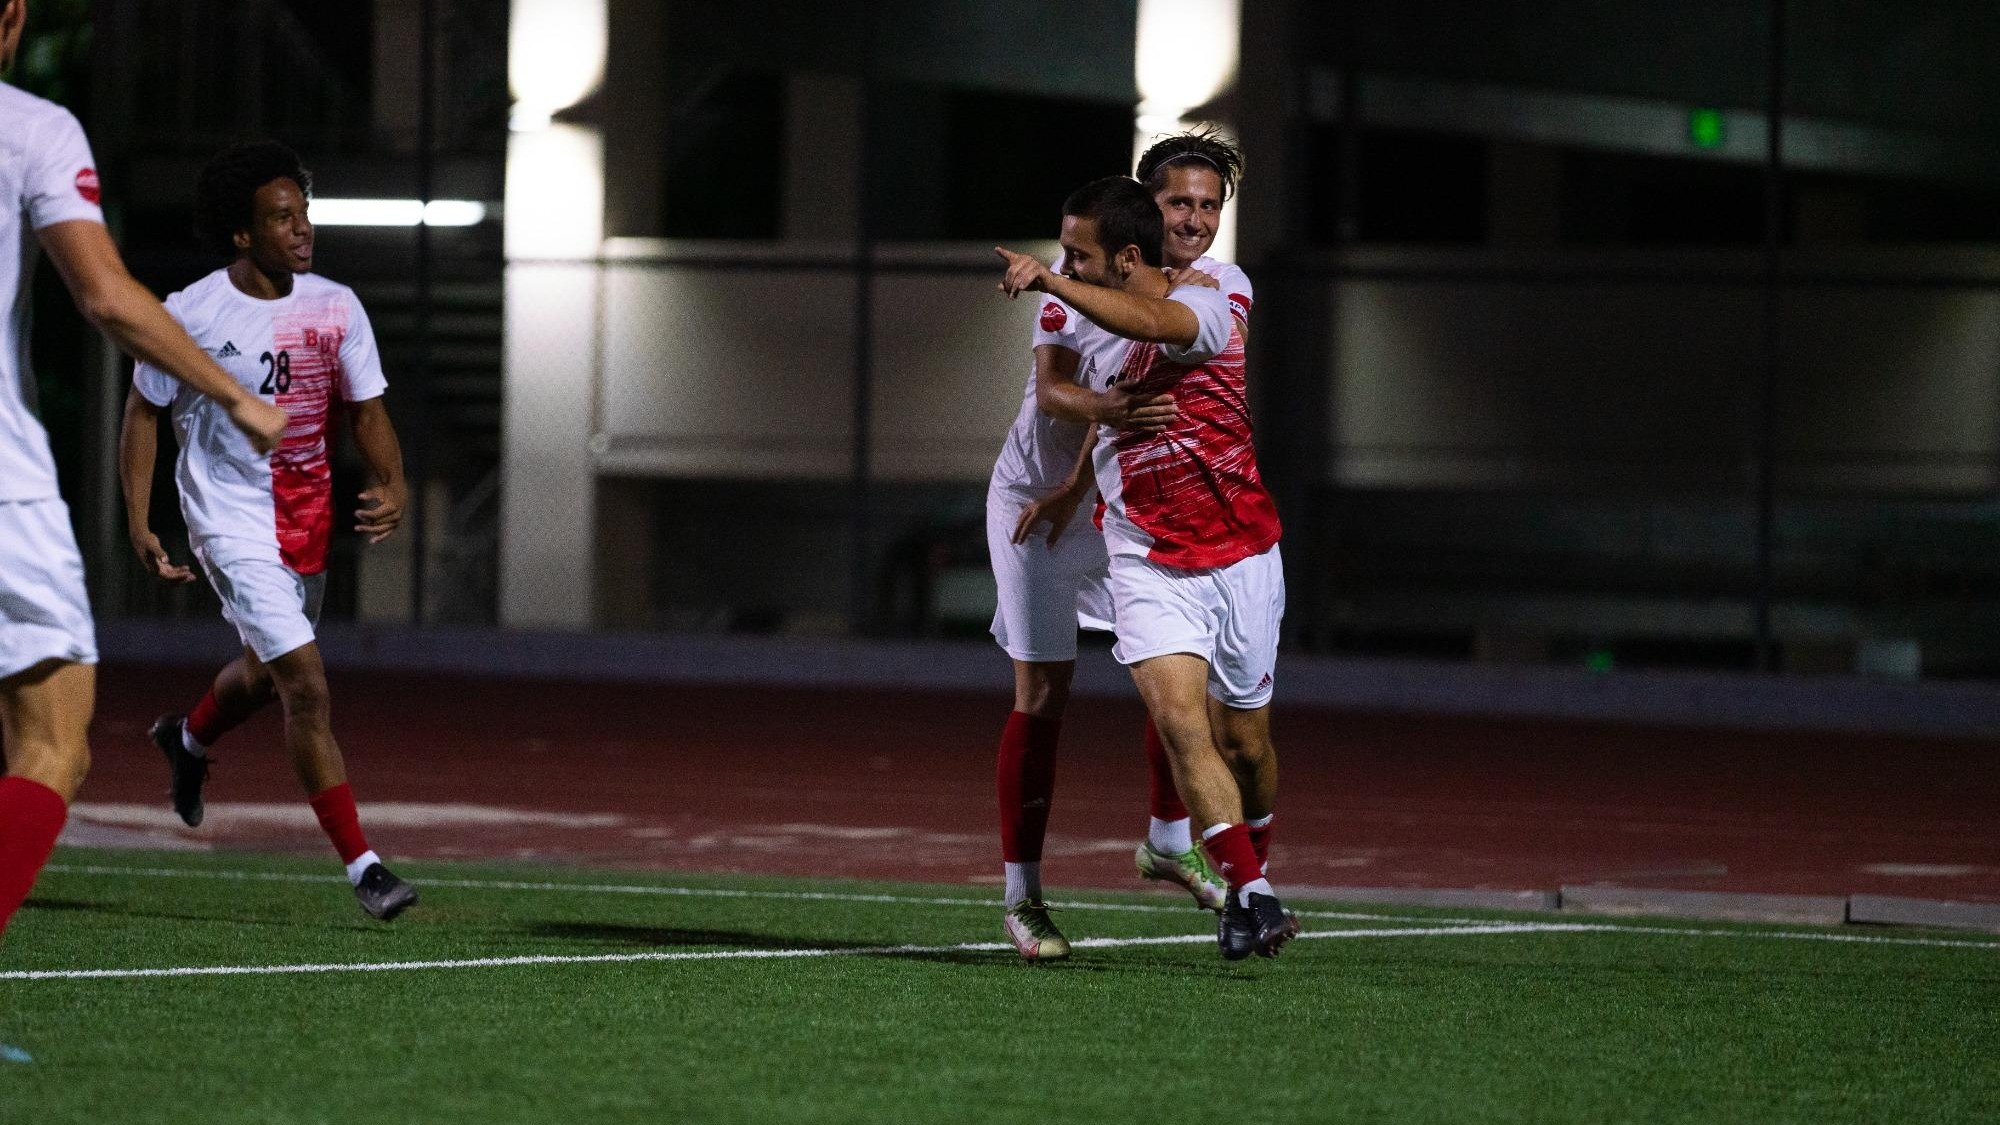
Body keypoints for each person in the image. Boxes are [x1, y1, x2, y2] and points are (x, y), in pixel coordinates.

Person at [0, 0, 287, 951]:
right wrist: (235, 396)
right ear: (12, 16)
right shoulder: (32, 129)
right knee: (50, 735)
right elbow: (106, 295)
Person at [117, 141, 417, 921]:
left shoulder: (336, 306)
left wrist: (395, 480)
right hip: (227, 519)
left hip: (306, 519)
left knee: (262, 673)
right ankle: (365, 866)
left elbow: (368, 408)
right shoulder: (190, 312)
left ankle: (185, 737)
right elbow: (144, 411)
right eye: (282, 217)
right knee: (306, 684)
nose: (302, 229)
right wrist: (139, 516)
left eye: (304, 213)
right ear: (243, 233)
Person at [995, 176, 1293, 959]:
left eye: (1207, 207)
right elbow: (1061, 390)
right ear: (1144, 221)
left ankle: (1171, 840)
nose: (1192, 221)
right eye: (1176, 205)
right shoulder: (1078, 281)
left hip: (1164, 511)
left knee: (1236, 733)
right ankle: (1023, 899)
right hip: (1053, 500)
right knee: (1056, 690)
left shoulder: (1212, 287)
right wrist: (1075, 467)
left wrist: (1094, 453)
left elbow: (1159, 336)